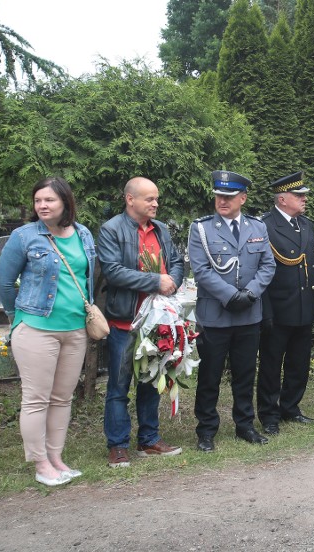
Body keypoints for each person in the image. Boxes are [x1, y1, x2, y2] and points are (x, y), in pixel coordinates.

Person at [0, 176, 96, 486]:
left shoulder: (83, 234)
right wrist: (19, 316)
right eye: (38, 200)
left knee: (62, 399)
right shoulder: (24, 236)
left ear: (65, 202)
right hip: (36, 329)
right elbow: (2, 281)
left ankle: (56, 458)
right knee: (36, 399)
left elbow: (88, 276)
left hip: (75, 330)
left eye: (49, 200)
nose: (42, 205)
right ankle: (41, 464)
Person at [188, 170, 276, 451]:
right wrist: (230, 296)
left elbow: (268, 265)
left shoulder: (257, 227)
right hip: (216, 315)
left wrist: (250, 293)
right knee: (210, 376)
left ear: (243, 198)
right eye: (218, 196)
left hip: (249, 313)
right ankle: (206, 430)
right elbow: (200, 270)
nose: (222, 201)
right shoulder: (201, 229)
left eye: (228, 197)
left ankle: (245, 425)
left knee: (245, 373)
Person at [99, 177, 184, 468]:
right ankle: (118, 445)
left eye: (156, 198)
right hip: (126, 323)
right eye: (149, 199)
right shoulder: (112, 229)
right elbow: (113, 272)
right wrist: (155, 280)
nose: (156, 204)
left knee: (150, 381)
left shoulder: (161, 229)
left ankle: (148, 441)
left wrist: (171, 281)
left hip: (156, 322)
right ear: (130, 199)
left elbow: (176, 263)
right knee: (119, 387)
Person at [256, 171, 314, 435]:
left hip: (304, 306)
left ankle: (291, 407)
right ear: (282, 199)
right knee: (271, 364)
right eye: (298, 195)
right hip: (278, 309)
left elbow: (312, 268)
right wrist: (266, 311)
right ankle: (269, 414)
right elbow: (260, 271)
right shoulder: (265, 226)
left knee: (299, 362)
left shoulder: (305, 225)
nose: (304, 199)